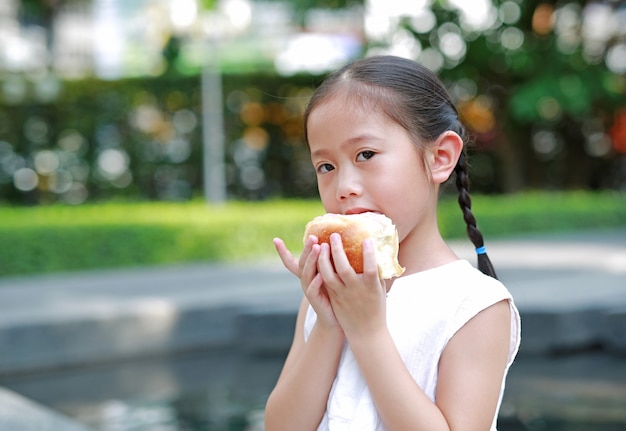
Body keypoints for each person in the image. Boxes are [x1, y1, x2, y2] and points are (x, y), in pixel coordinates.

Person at [265, 55, 521, 431]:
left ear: (440, 158)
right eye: (326, 166)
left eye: (365, 155)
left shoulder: (475, 306)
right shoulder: (329, 291)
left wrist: (367, 331)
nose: (343, 187)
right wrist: (329, 325)